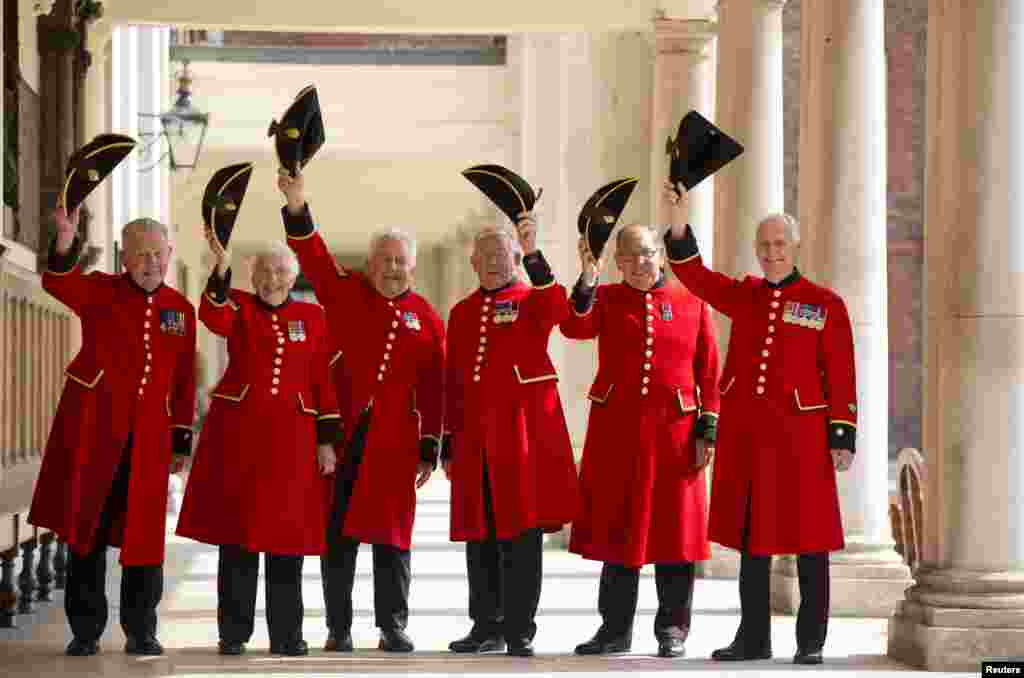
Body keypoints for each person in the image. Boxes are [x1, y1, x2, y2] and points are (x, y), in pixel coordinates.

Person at [663, 181, 857, 665]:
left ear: (794, 247)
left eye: (779, 245)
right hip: (750, 440)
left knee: (812, 545)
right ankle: (754, 638)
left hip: (803, 440)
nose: (771, 253)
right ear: (757, 249)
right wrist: (679, 220)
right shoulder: (745, 295)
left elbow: (841, 373)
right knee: (753, 545)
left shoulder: (824, 303)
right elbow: (694, 274)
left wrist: (842, 434)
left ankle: (811, 643)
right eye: (764, 246)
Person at [278, 173, 445, 653]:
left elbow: (435, 389)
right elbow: (314, 257)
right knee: (339, 541)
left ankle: (393, 626)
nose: (392, 268)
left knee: (394, 542)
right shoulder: (346, 292)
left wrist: (429, 448)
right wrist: (296, 203)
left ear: (411, 267)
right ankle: (339, 627)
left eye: (400, 261)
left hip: (396, 444)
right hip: (345, 435)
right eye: (384, 260)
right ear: (370, 265)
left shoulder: (428, 319)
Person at [28, 207, 196, 657]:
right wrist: (65, 239)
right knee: (89, 534)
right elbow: (58, 283)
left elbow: (183, 379)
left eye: (158, 255)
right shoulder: (100, 289)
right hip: (93, 433)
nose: (151, 264)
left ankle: (142, 630)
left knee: (144, 539)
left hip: (149, 440)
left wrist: (181, 438)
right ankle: (85, 631)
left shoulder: (180, 311)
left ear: (170, 254)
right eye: (141, 256)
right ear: (125, 259)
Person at [175, 232, 342, 656]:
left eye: (281, 270)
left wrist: (327, 441)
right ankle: (234, 633)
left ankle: (287, 635)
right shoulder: (240, 306)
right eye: (264, 271)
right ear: (253, 276)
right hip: (240, 438)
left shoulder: (314, 317)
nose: (272, 278)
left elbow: (323, 380)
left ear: (294, 275)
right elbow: (213, 316)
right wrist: (220, 267)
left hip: (294, 443)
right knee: (239, 539)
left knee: (289, 540)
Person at [560, 223, 720, 658]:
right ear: (617, 263)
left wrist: (707, 430)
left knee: (676, 537)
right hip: (620, 433)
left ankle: (672, 628)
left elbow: (709, 372)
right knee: (619, 533)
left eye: (647, 253)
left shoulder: (692, 302)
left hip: (675, 434)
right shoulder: (607, 299)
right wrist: (587, 278)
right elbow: (574, 328)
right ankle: (614, 629)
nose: (639, 264)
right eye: (628, 257)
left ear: (662, 255)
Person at [443, 219, 581, 658]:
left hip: (521, 437)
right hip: (475, 439)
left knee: (521, 537)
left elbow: (559, 307)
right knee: (479, 537)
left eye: (501, 256)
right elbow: (454, 380)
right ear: (472, 262)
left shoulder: (529, 300)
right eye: (484, 257)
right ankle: (485, 624)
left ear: (516, 260)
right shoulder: (462, 312)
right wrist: (447, 439)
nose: (492, 263)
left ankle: (520, 627)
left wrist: (535, 252)